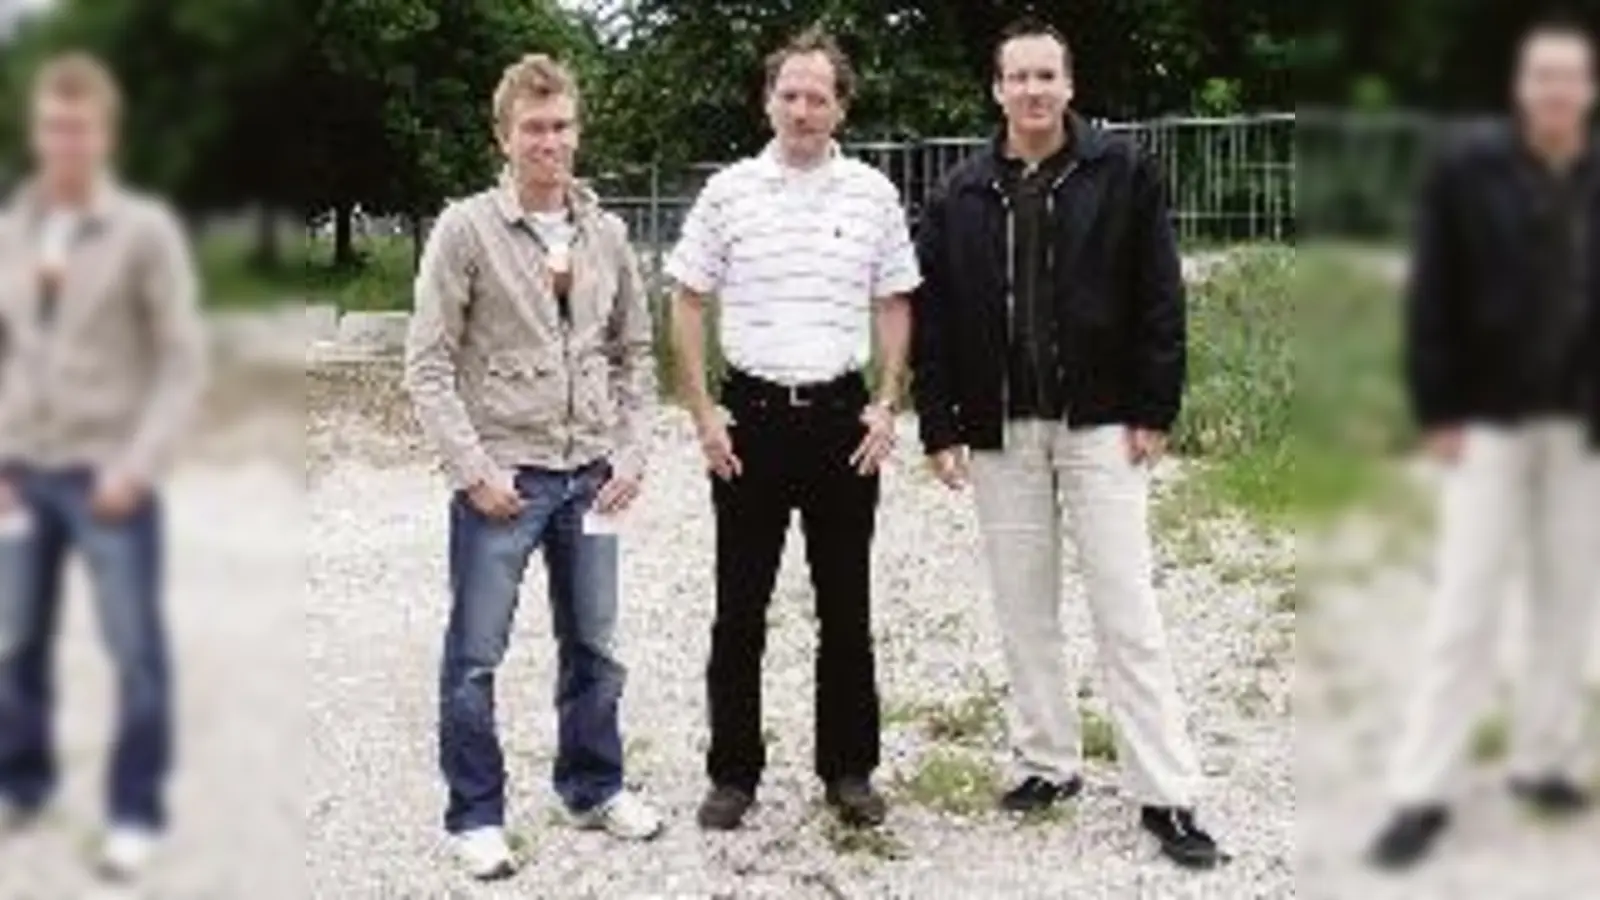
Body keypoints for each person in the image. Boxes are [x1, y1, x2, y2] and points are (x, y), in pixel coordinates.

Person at [910, 17, 1229, 869]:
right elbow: (932, 319)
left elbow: (1160, 296)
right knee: (1025, 608)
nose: (1033, 91)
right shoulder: (961, 190)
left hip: (1102, 423)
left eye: (1047, 75)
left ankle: (1166, 795)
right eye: (1018, 77)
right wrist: (939, 423)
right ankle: (1048, 763)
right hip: (1001, 428)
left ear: (1070, 85)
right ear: (997, 89)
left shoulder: (1121, 171)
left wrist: (1155, 407)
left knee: (1128, 609)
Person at [403, 52, 661, 881]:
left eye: (561, 126)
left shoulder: (607, 232)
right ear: (503, 137)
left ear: (577, 131)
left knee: (596, 645)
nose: (549, 141)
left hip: (592, 473)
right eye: (533, 128)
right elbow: (428, 364)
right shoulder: (466, 228)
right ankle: (475, 815)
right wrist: (473, 470)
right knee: (476, 655)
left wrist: (632, 451)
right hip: (505, 481)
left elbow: (636, 352)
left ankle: (591, 787)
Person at [664, 26, 920, 831]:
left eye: (819, 96)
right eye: (790, 94)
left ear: (841, 106)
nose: (803, 109)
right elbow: (689, 299)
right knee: (740, 609)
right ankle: (733, 774)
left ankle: (848, 770)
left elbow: (893, 303)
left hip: (844, 421)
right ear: (768, 100)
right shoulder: (729, 192)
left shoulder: (873, 195)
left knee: (846, 608)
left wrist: (887, 401)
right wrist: (702, 412)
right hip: (754, 424)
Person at [1369, 16, 1600, 870]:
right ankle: (1420, 792)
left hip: (1582, 424)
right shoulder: (1469, 174)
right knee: (1464, 607)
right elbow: (1432, 297)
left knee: (1569, 603)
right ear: (1521, 87)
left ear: (1589, 89)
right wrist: (1438, 407)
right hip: (1489, 420)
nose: (1557, 93)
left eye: (1571, 79)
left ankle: (1542, 760)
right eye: (1543, 78)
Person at [0, 52, 208, 882]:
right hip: (22, 470)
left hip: (108, 477)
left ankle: (134, 811)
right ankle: (22, 780)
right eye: (52, 126)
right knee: (17, 641)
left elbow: (182, 360)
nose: (65, 142)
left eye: (79, 128)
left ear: (105, 134)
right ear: (37, 132)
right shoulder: (12, 228)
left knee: (134, 653)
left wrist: (140, 464)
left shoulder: (143, 232)